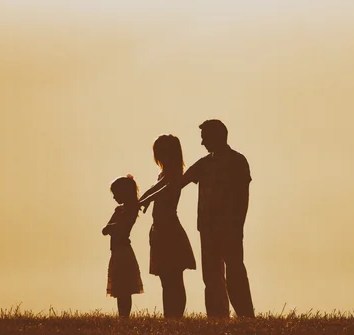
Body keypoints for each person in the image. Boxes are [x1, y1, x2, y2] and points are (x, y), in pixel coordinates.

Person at [182, 119, 255, 318]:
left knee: (234, 272)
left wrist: (238, 224)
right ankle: (217, 316)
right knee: (212, 275)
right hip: (207, 227)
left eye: (205, 138)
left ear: (217, 137)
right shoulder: (204, 163)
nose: (202, 143)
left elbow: (243, 196)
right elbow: (181, 181)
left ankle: (245, 315)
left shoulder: (237, 161)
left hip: (229, 227)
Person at [139, 135, 196, 318]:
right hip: (160, 228)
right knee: (166, 277)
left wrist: (146, 199)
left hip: (169, 229)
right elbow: (155, 188)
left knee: (174, 277)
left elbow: (163, 188)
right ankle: (170, 316)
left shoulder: (174, 172)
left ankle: (175, 316)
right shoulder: (163, 174)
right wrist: (141, 200)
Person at [102, 174, 144, 318]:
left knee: (125, 288)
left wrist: (111, 227)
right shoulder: (119, 210)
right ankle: (122, 316)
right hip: (116, 251)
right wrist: (111, 227)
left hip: (124, 251)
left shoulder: (131, 210)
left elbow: (119, 227)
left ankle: (124, 316)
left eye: (116, 194)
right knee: (120, 288)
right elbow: (107, 228)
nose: (114, 197)